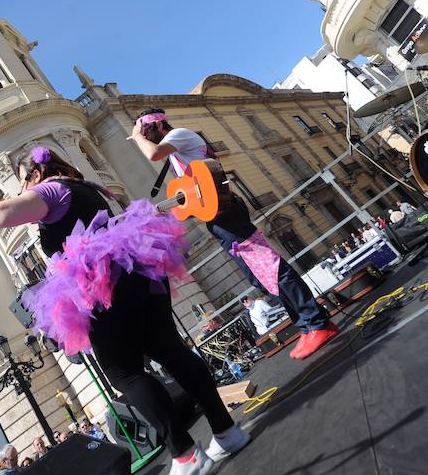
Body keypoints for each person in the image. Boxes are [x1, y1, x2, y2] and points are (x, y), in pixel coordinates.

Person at [0, 147, 249, 475]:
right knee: (171, 350)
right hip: (140, 273)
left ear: (34, 175)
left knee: (124, 373)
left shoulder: (50, 189)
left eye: (21, 184)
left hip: (104, 287)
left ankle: (186, 454)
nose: (22, 192)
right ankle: (227, 432)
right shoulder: (88, 187)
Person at [127, 108, 338, 361]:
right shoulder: (178, 156)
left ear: (159, 126)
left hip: (227, 215)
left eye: (148, 133)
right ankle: (308, 325)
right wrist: (169, 207)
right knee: (260, 278)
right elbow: (196, 194)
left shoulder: (180, 135)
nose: (147, 139)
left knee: (271, 268)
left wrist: (135, 135)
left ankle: (316, 324)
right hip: (218, 218)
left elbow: (152, 154)